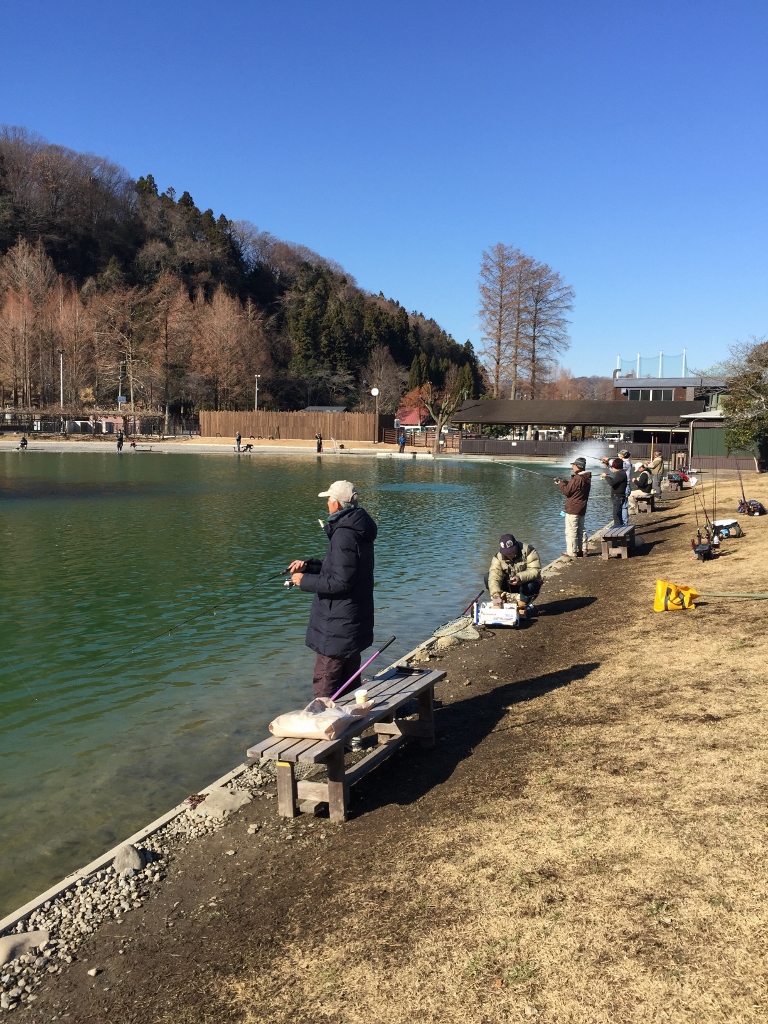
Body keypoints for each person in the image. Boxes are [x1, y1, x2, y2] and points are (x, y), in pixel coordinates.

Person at [289, 480, 377, 699]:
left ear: (336, 504)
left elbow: (340, 582)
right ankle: (354, 731)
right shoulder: (357, 529)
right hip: (350, 624)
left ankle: (330, 730)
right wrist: (309, 566)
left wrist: (303, 580)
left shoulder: (344, 534)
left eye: (329, 499)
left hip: (337, 627)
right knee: (350, 688)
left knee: (325, 691)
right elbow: (341, 569)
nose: (327, 503)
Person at [486, 534, 542, 611]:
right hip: (510, 585)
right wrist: (496, 596)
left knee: (530, 585)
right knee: (487, 577)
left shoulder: (529, 550)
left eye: (511, 551)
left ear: (516, 546)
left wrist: (519, 577)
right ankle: (502, 600)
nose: (508, 554)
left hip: (526, 584)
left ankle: (523, 605)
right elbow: (494, 577)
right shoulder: (498, 557)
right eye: (506, 552)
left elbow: (535, 570)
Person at [555, 457, 591, 558]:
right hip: (582, 507)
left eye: (573, 465)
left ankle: (571, 552)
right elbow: (574, 488)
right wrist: (565, 482)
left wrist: (560, 483)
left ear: (577, 466)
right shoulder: (586, 477)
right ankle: (582, 549)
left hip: (573, 508)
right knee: (581, 529)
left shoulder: (577, 478)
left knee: (571, 530)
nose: (572, 466)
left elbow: (567, 491)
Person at [601, 459, 628, 527]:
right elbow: (615, 481)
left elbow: (612, 483)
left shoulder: (620, 474)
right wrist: (608, 477)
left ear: (615, 467)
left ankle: (618, 531)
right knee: (618, 515)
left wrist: (605, 476)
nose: (612, 468)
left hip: (618, 497)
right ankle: (621, 529)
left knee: (616, 516)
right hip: (618, 497)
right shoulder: (621, 473)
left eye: (613, 467)